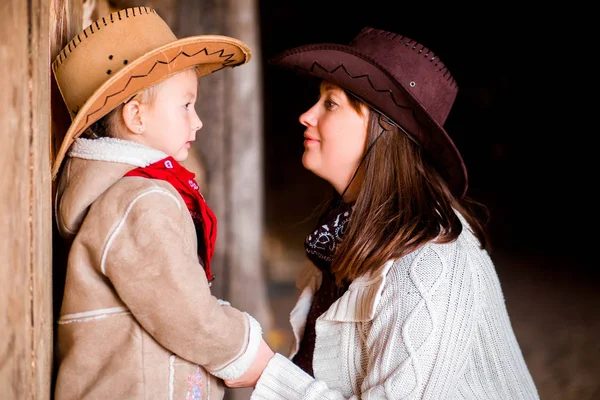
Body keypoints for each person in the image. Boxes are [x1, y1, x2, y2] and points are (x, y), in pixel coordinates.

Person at [225, 27, 540, 399]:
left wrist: (269, 374)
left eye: (330, 103)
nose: (305, 116)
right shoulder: (345, 230)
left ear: (384, 128)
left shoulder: (432, 263)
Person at [51, 6, 273, 399]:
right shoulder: (141, 202)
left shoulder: (125, 196)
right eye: (186, 105)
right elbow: (187, 314)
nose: (198, 121)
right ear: (136, 116)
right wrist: (245, 349)